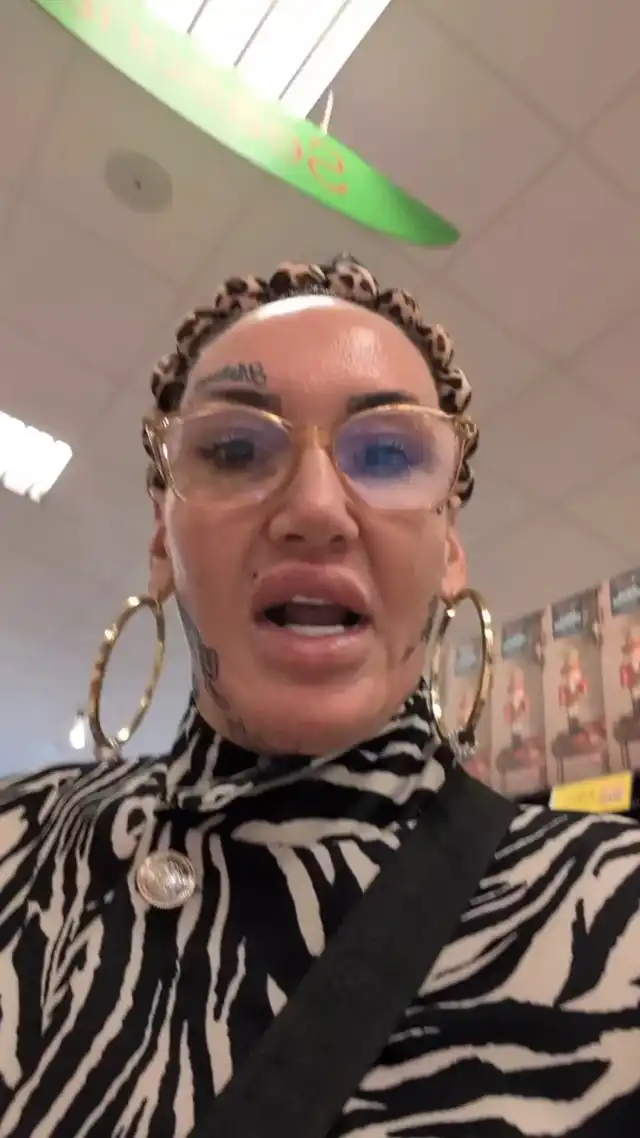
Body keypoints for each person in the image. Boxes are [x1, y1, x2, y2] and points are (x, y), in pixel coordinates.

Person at [0, 255, 638, 1138]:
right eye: (234, 449)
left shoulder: (617, 908)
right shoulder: (14, 837)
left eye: (388, 452)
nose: (315, 509)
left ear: (450, 548)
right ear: (161, 542)